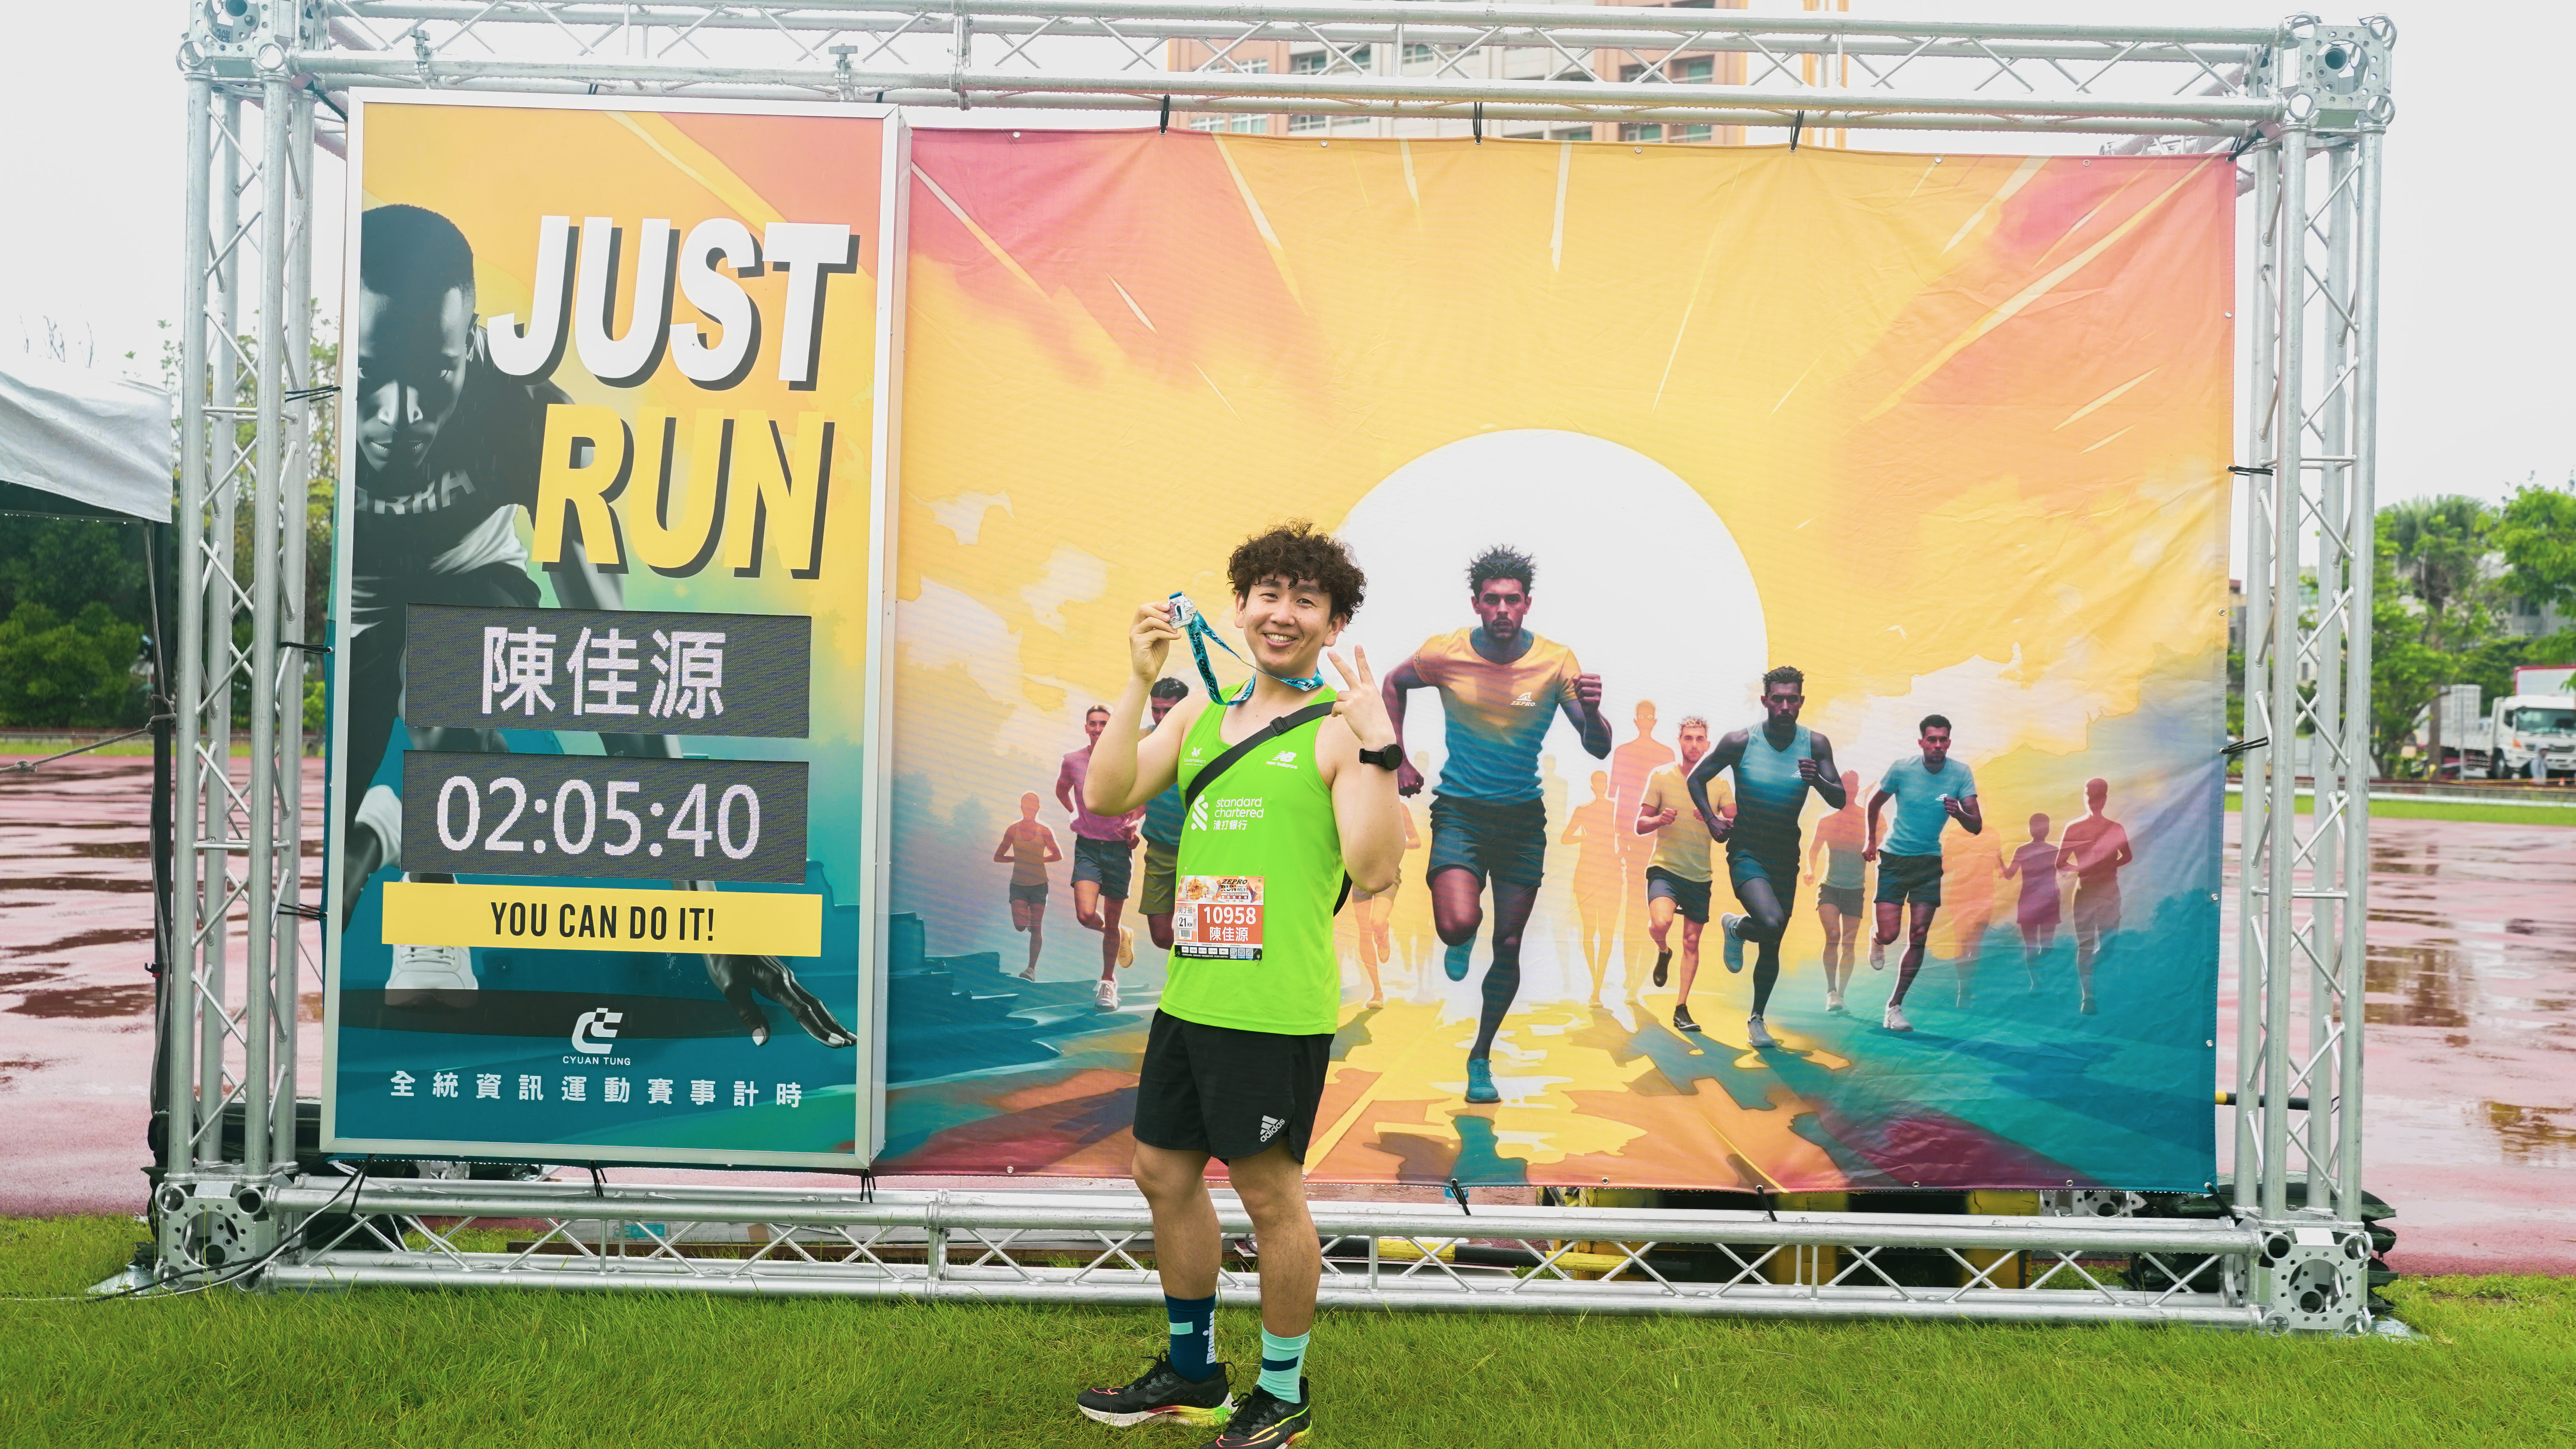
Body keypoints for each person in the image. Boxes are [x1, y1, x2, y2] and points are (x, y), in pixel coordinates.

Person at [335, 203, 848, 1047]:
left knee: (453, 669)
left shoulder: (526, 412)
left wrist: (708, 915)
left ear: (471, 342)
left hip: (471, 577)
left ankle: (432, 893)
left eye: (433, 374)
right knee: (338, 864)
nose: (397, 415)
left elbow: (615, 662)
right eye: (368, 376)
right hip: (360, 602)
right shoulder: (320, 435)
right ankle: (388, 824)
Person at [1073, 521, 1403, 1447]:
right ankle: (1193, 1374)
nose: (1282, 613)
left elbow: (1376, 868)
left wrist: (1381, 748)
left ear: (1334, 624)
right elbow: (1107, 795)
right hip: (1191, 998)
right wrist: (1138, 679)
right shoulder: (1199, 715)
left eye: (1307, 600)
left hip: (1273, 1010)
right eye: (1268, 594)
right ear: (1241, 607)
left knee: (1268, 1196)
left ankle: (1283, 1393)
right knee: (1161, 1173)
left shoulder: (1339, 730)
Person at [1382, 546, 1610, 1104]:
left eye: (1512, 600)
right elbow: (1393, 684)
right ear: (1477, 604)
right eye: (1493, 600)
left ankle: (1481, 1055)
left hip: (1522, 820)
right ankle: (1459, 939)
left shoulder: (1556, 662)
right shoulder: (1445, 653)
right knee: (1458, 924)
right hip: (1460, 811)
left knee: (1508, 944)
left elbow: (1598, 746)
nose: (1503, 609)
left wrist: (1594, 711)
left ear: (1527, 603)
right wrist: (1399, 758)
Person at [1686, 667, 1846, 1051]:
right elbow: (1696, 779)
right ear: (1765, 701)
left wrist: (1817, 780)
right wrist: (1712, 820)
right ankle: (1741, 928)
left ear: (1801, 701)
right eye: (1778, 699)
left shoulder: (1815, 744)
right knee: (1771, 922)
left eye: (1792, 699)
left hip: (1786, 854)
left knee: (1773, 940)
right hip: (1747, 850)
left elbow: (1839, 798)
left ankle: (1757, 1018)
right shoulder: (1740, 741)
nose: (1785, 706)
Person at [1864, 714, 1984, 1032]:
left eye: (1943, 740)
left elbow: (1976, 825)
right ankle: (1877, 938)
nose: (1938, 745)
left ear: (1949, 742)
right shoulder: (1902, 769)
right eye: (1932, 739)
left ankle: (1895, 1006)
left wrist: (1959, 813)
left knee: (1918, 936)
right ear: (1922, 742)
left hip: (1928, 861)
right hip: (1894, 859)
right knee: (1890, 934)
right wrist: (1870, 840)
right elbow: (1874, 804)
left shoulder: (1960, 773)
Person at [1637, 715, 1723, 1031]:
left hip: (1699, 874)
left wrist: (1713, 818)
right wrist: (1659, 820)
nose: (1694, 744)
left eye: (1700, 739)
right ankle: (1663, 951)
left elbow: (1735, 823)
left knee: (1692, 942)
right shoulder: (1661, 776)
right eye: (1689, 738)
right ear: (1680, 742)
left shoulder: (1719, 784)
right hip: (1665, 868)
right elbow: (1640, 824)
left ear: (1708, 745)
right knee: (1661, 923)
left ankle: (1681, 1008)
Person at [1059, 705, 1145, 1009]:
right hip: (1088, 848)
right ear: (1086, 727)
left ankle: (1108, 982)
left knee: (1112, 917)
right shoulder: (1072, 760)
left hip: (1118, 849)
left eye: (1104, 724)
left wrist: (1134, 825)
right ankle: (1119, 933)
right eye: (1093, 724)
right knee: (1086, 915)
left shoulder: (1128, 761)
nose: (1098, 729)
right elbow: (1062, 791)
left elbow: (1141, 801)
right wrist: (1073, 813)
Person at [1607, 701, 1675, 996]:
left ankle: (1643, 976)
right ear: (1636, 720)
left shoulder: (1667, 754)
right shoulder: (1623, 752)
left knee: (1655, 908)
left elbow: (1674, 797)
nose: (1646, 720)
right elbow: (1617, 796)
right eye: (1642, 716)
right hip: (1633, 842)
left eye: (1650, 716)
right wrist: (1619, 836)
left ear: (1654, 721)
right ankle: (1629, 977)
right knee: (1634, 908)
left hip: (1660, 841)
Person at [2057, 779, 2133, 1016]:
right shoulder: (2074, 828)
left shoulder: (2115, 828)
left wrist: (2108, 865)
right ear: (2084, 797)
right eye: (2090, 797)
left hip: (2109, 891)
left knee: (2109, 945)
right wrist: (2083, 867)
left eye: (2098, 798)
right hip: (2085, 890)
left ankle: (2091, 975)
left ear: (2105, 800)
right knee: (2086, 944)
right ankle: (2087, 996)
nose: (2093, 802)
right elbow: (2060, 863)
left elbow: (2127, 856)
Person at [1136, 678, 1194, 954]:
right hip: (1160, 848)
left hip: (1198, 850)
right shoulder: (1141, 740)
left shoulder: (1201, 739)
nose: (1160, 717)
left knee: (1197, 934)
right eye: (1155, 710)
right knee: (1161, 936)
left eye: (1167, 711)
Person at [1805, 769, 1868, 1014]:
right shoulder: (1828, 820)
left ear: (1857, 789)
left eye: (1854, 785)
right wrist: (1810, 870)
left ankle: (1841, 994)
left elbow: (1881, 846)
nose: (1850, 789)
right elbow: (1814, 849)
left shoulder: (1867, 820)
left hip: (1855, 889)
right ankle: (1831, 991)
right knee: (1833, 935)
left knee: (1849, 943)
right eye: (1846, 785)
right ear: (1839, 788)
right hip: (1830, 887)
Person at [1562, 770, 1624, 1007]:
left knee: (1605, 932)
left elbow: (1625, 835)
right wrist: (1584, 838)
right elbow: (1565, 838)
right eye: (1598, 783)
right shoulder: (1585, 810)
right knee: (1590, 931)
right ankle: (1595, 985)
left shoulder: (1613, 809)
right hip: (1589, 873)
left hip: (1608, 873)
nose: (1600, 786)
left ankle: (1597, 986)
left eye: (1603, 783)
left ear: (1606, 785)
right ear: (1593, 786)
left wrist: (1619, 853)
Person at [993, 793, 1064, 980]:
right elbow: (998, 857)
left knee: (1037, 926)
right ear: (1022, 807)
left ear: (1038, 808)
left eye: (1033, 805)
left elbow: (1058, 855)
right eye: (1026, 805)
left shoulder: (1045, 831)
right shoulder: (1013, 830)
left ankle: (1031, 969)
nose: (1029, 808)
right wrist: (1018, 858)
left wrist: (1039, 860)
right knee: (1020, 926)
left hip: (1039, 884)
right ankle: (1028, 917)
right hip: (1019, 885)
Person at [2000, 812, 2062, 996]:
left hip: (2047, 902)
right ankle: (2036, 982)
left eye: (2045, 826)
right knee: (2035, 946)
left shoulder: (2053, 851)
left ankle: (2038, 976)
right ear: (2030, 829)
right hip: (2033, 901)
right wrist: (1998, 859)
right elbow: (2010, 875)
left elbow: (2009, 875)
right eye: (2039, 826)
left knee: (2044, 946)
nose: (2042, 830)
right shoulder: (2025, 850)